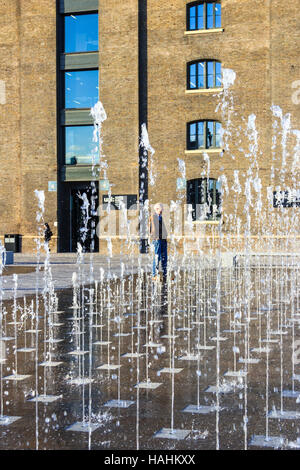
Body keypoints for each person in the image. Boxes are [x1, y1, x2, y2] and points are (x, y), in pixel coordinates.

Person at [150, 203, 168, 281]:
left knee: (164, 257)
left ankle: (165, 274)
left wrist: (166, 235)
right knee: (157, 257)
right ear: (157, 209)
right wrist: (156, 237)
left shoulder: (160, 217)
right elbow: (153, 228)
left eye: (162, 209)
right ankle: (154, 274)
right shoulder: (153, 217)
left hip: (163, 239)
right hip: (157, 240)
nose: (162, 211)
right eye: (161, 209)